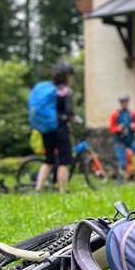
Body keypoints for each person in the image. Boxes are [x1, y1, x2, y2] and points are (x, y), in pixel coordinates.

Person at [34, 62, 75, 193]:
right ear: (66, 76)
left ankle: (38, 188)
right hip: (61, 129)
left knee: (48, 160)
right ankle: (62, 190)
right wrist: (71, 119)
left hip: (47, 129)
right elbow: (69, 112)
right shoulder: (66, 91)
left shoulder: (48, 90)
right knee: (64, 161)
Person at [109, 96, 135, 178]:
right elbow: (111, 128)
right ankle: (124, 177)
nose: (124, 104)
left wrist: (134, 126)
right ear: (121, 103)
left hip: (131, 140)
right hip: (120, 141)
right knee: (122, 163)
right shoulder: (115, 114)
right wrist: (118, 128)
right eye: (123, 102)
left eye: (126, 102)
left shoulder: (132, 114)